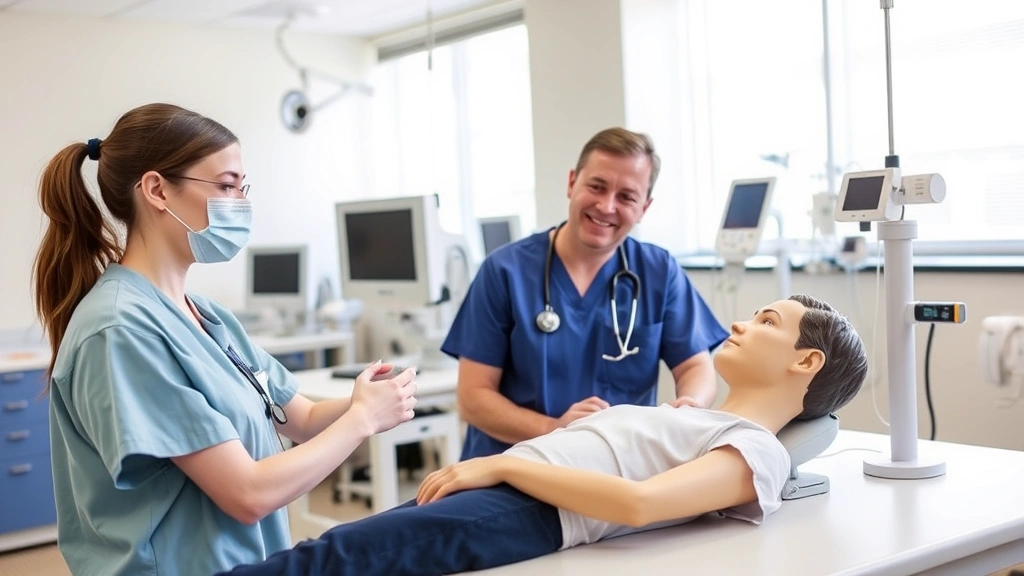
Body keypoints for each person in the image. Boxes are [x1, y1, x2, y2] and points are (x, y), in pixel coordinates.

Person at [32, 103, 419, 576]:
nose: (239, 203)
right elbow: (247, 493)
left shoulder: (207, 316)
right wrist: (361, 421)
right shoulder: (119, 332)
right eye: (226, 185)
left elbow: (301, 418)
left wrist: (369, 399)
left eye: (242, 188)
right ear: (156, 190)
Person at [219, 294, 868, 576]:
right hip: (515, 493)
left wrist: (500, 468)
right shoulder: (698, 417)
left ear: (804, 362)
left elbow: (640, 504)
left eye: (765, 321)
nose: (738, 322)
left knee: (328, 561)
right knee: (336, 554)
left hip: (528, 508)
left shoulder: (756, 448)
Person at [443, 127, 729, 459]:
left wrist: (689, 405)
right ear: (571, 183)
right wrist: (556, 429)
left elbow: (695, 366)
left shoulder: (658, 270)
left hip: (617, 467)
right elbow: (473, 397)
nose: (607, 206)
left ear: (644, 208)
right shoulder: (505, 271)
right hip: (513, 466)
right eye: (597, 186)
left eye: (626, 196)